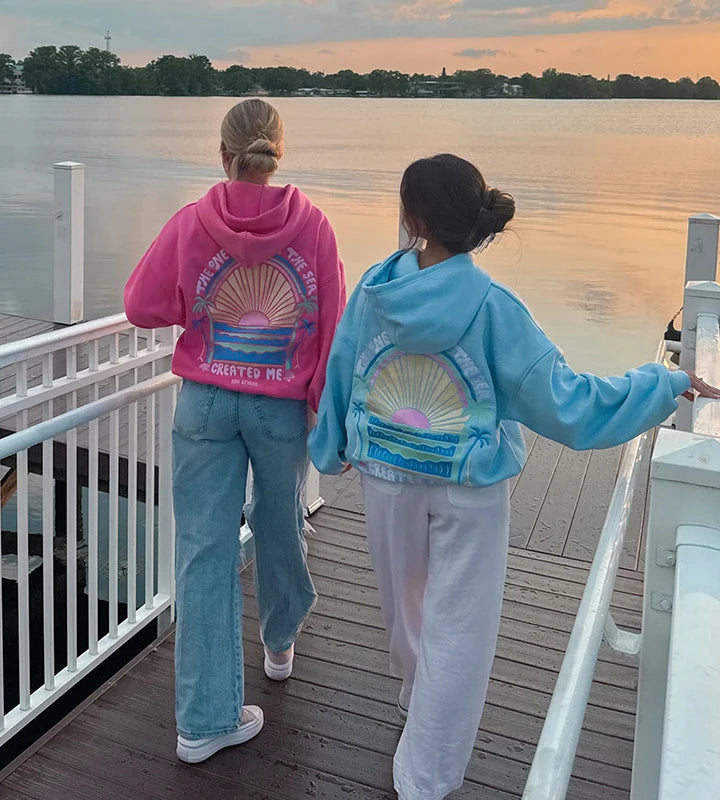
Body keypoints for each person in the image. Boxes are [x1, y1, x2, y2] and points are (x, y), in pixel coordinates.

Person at [308, 153, 719, 800]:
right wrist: (660, 382)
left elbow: (343, 367)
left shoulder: (373, 292)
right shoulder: (494, 309)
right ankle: (424, 777)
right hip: (467, 487)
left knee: (407, 613)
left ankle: (416, 708)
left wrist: (330, 445)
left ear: (411, 218)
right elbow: (568, 403)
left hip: (384, 473)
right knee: (459, 632)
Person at [124, 98, 346, 764]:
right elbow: (331, 325)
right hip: (279, 409)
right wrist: (316, 403)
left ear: (223, 155)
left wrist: (191, 300)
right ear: (278, 154)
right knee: (280, 523)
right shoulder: (315, 227)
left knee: (202, 549)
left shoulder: (193, 221)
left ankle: (204, 720)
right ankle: (280, 642)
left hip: (204, 404)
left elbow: (141, 304)